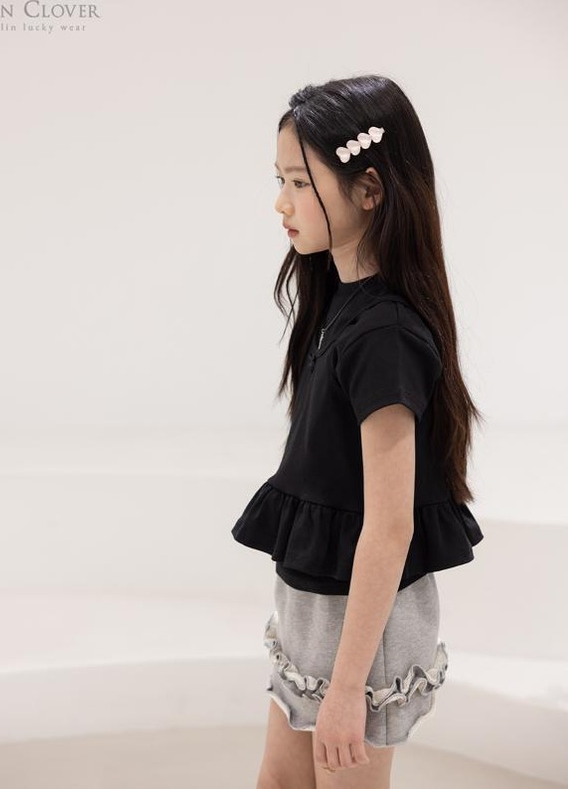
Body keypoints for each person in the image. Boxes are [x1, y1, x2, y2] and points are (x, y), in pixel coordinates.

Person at [230, 74, 485, 788]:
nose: (281, 203)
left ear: (369, 190)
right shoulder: (341, 303)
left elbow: (391, 524)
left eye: (299, 183)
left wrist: (347, 690)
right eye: (280, 180)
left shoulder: (384, 335)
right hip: (317, 605)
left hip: (360, 626)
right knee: (281, 781)